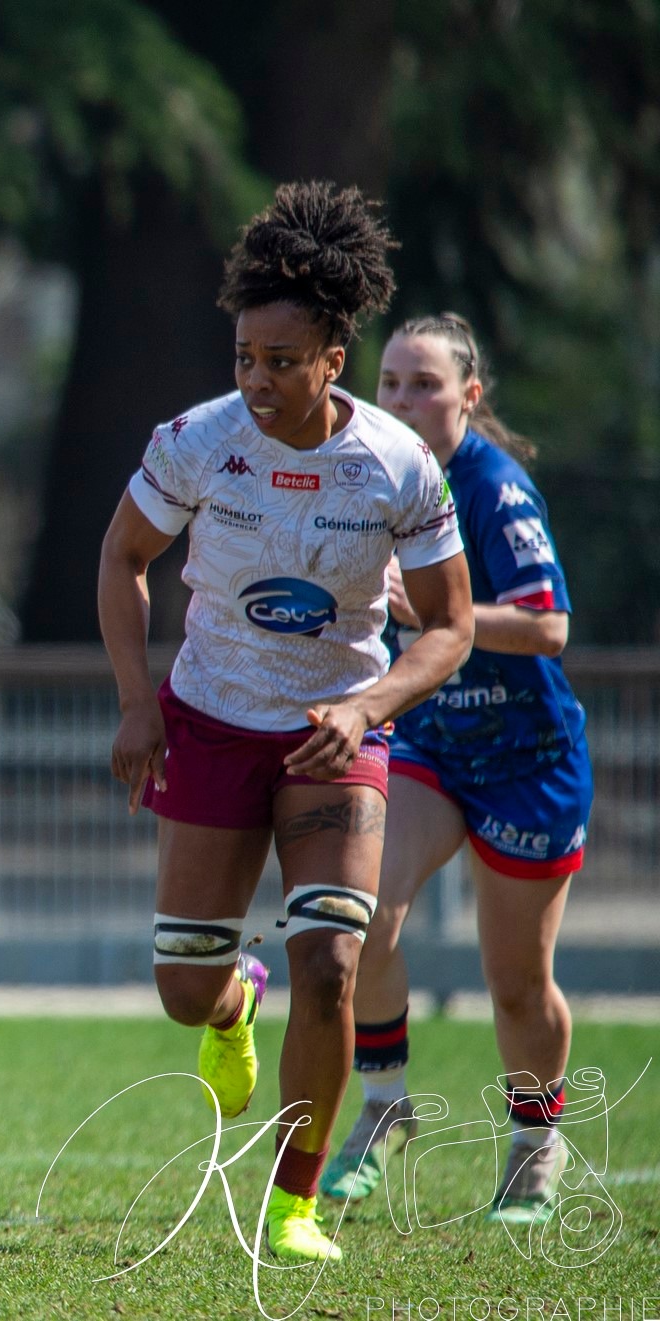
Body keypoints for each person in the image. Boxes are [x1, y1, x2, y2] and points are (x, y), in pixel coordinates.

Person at [97, 182, 474, 1263]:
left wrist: (366, 704)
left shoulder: (398, 465)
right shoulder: (194, 443)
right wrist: (137, 701)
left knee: (331, 966)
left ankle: (292, 1203)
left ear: (331, 362)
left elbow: (445, 628)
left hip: (335, 739)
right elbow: (124, 559)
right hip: (211, 721)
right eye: (243, 359)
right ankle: (229, 1007)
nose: (256, 380)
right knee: (181, 988)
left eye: (280, 360)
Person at [322, 315, 589, 1225]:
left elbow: (550, 627)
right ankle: (385, 1101)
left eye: (423, 384)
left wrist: (450, 613)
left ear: (469, 396)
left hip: (527, 761)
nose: (401, 400)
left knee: (515, 982)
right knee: (367, 916)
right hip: (433, 742)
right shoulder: (374, 476)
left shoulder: (495, 488)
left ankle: (533, 1143)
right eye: (389, 382)